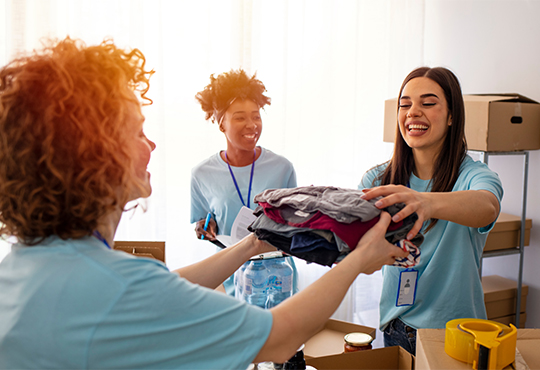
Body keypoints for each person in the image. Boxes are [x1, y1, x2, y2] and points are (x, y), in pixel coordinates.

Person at [0, 37, 409, 369]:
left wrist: (251, 243)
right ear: (94, 153)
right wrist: (359, 259)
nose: (152, 144)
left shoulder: (27, 266)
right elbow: (278, 339)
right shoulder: (116, 286)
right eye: (138, 132)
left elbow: (167, 288)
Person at [358, 66, 503, 356]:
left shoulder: (473, 175)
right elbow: (361, 255)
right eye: (405, 104)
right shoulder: (377, 181)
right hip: (396, 327)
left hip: (456, 333)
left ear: (452, 117)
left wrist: (426, 202)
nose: (413, 112)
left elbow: (487, 206)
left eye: (428, 103)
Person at [191, 69, 298, 295]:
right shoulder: (201, 174)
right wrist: (204, 228)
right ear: (222, 124)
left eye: (256, 116)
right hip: (230, 279)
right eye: (240, 117)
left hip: (277, 279)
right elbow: (201, 225)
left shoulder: (283, 168)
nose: (251, 125)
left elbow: (294, 225)